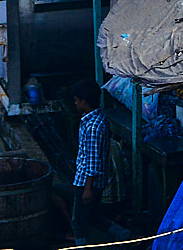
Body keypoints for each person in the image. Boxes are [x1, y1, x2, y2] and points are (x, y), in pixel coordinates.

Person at [69, 79, 104, 244]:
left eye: (77, 100)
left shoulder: (93, 127)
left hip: (87, 182)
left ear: (84, 101)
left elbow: (93, 161)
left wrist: (87, 188)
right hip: (84, 180)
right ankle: (126, 236)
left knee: (79, 222)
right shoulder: (92, 120)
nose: (75, 103)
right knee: (92, 217)